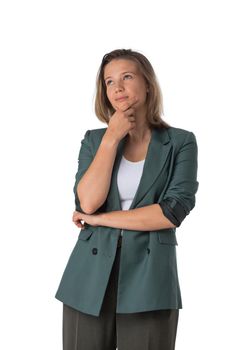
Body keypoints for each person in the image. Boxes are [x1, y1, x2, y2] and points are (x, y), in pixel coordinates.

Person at [55, 48, 199, 350]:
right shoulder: (95, 140)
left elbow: (170, 213)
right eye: (109, 81)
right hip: (88, 276)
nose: (117, 87)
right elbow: (88, 203)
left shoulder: (181, 142)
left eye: (127, 77)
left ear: (147, 83)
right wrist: (111, 137)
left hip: (151, 279)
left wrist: (98, 220)